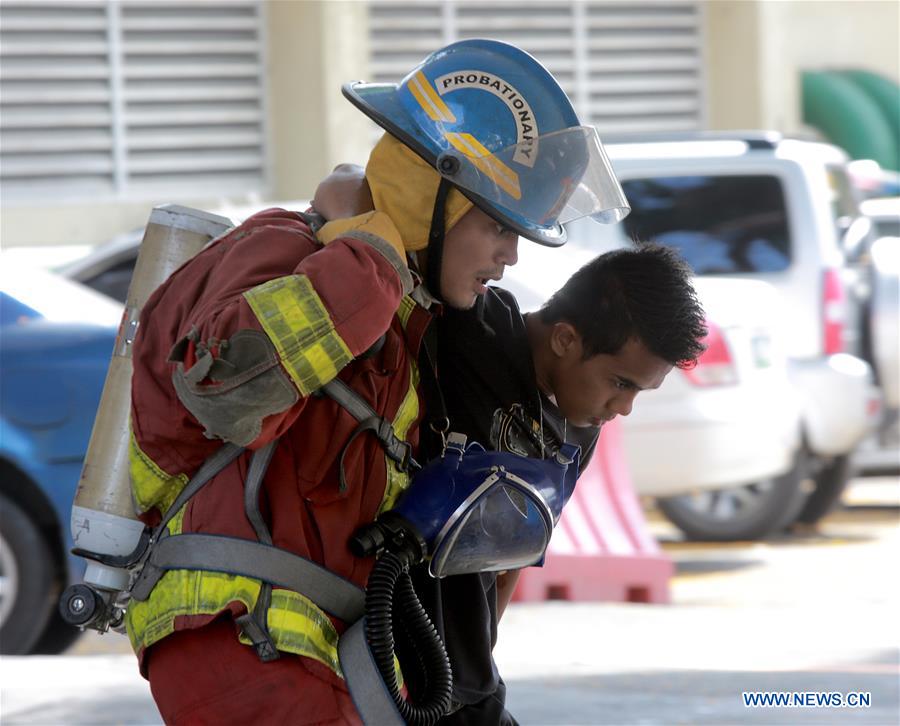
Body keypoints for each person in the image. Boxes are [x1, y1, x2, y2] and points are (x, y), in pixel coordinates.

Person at [123, 39, 627, 725]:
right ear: (434, 198)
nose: (510, 255)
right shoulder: (292, 248)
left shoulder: (406, 321)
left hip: (316, 659)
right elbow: (228, 390)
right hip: (236, 638)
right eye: (496, 225)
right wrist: (372, 254)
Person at [315, 162, 707, 723]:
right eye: (620, 383)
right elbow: (344, 185)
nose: (622, 409)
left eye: (638, 393)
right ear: (567, 339)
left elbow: (507, 563)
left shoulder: (578, 433)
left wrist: (479, 658)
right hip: (384, 673)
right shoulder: (472, 327)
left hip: (467, 689)